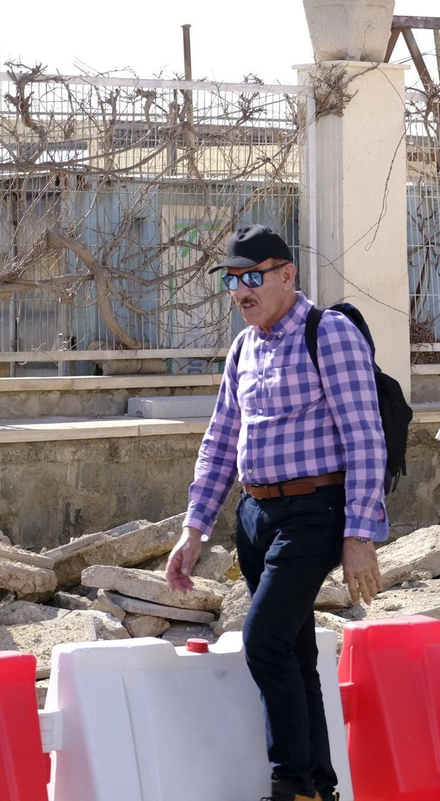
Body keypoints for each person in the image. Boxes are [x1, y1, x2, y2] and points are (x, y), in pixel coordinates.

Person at [165, 224, 386, 801]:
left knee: (263, 641)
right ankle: (318, 786)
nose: (241, 290)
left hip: (315, 510)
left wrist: (360, 534)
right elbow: (220, 441)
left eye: (253, 277)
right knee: (293, 650)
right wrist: (194, 529)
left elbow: (366, 436)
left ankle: (291, 783)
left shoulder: (328, 333)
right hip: (255, 516)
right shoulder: (244, 347)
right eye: (232, 280)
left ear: (287, 275)